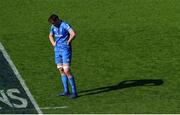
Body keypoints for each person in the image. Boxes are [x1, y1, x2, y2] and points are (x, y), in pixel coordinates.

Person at [48, 14, 78, 99]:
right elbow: (50, 35)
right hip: (57, 51)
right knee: (60, 69)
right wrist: (54, 44)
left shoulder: (64, 25)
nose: (53, 25)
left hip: (65, 50)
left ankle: (74, 92)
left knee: (67, 70)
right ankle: (66, 91)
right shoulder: (53, 26)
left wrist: (68, 41)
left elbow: (73, 33)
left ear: (57, 20)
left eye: (54, 23)